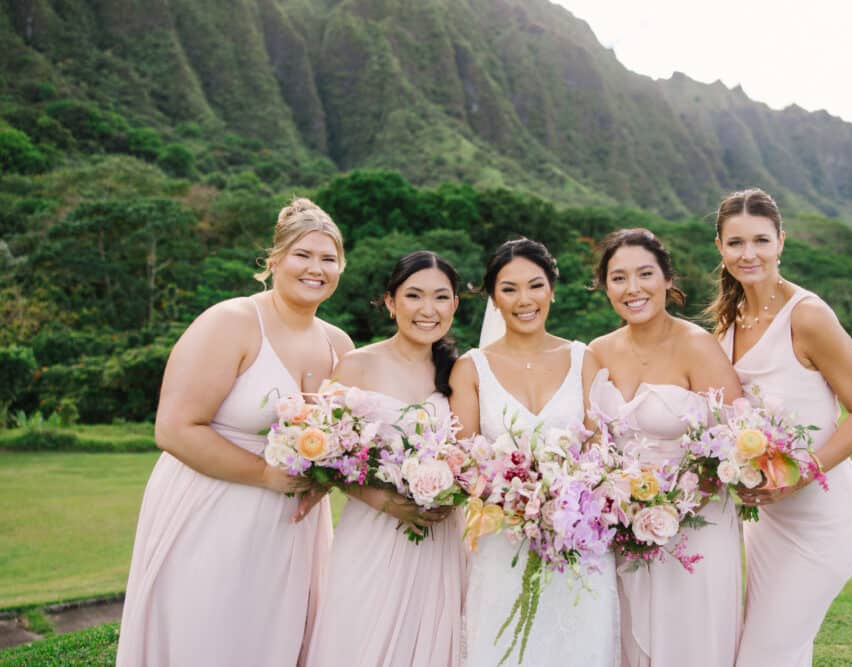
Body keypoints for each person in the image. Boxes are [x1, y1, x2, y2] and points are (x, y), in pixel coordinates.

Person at [117, 198, 352, 666]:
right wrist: (265, 475)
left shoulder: (339, 345)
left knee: (274, 641)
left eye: (329, 259)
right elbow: (174, 428)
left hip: (293, 530)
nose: (316, 268)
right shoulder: (232, 322)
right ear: (275, 260)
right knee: (207, 634)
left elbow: (347, 439)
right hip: (212, 509)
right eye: (303, 255)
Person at [711, 188, 852, 667]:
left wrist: (799, 474)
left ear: (781, 241)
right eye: (736, 242)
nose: (749, 254)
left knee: (765, 654)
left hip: (823, 516)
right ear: (720, 249)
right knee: (775, 649)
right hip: (767, 521)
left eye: (761, 241)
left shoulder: (808, 316)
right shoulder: (728, 322)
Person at [449, 238, 620, 666]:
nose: (524, 300)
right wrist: (515, 496)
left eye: (535, 285)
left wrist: (566, 494)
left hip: (578, 544)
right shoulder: (471, 368)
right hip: (501, 543)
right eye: (509, 289)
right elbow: (463, 463)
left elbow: (603, 450)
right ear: (493, 298)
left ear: (552, 290)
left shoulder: (586, 359)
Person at [588, 228, 744, 667]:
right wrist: (621, 505)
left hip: (696, 527)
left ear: (667, 279)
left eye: (644, 274)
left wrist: (674, 506)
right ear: (605, 287)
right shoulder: (597, 353)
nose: (632, 288)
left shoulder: (697, 345)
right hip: (621, 531)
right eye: (618, 278)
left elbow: (735, 442)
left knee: (687, 644)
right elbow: (590, 443)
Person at [303, 251, 465, 667]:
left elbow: (473, 453)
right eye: (414, 296)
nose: (428, 310)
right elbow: (323, 458)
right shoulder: (357, 365)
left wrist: (453, 491)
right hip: (373, 532)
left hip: (441, 540)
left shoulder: (461, 374)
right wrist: (382, 500)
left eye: (441, 298)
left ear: (455, 305)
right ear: (391, 302)